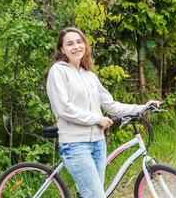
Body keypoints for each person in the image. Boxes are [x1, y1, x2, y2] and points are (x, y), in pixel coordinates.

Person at [44, 27, 161, 198]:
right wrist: (96, 119)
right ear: (62, 49)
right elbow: (64, 109)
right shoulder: (58, 71)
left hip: (98, 143)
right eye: (70, 44)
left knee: (91, 194)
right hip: (75, 145)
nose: (76, 46)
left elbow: (110, 104)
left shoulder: (89, 75)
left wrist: (141, 107)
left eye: (79, 42)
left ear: (85, 45)